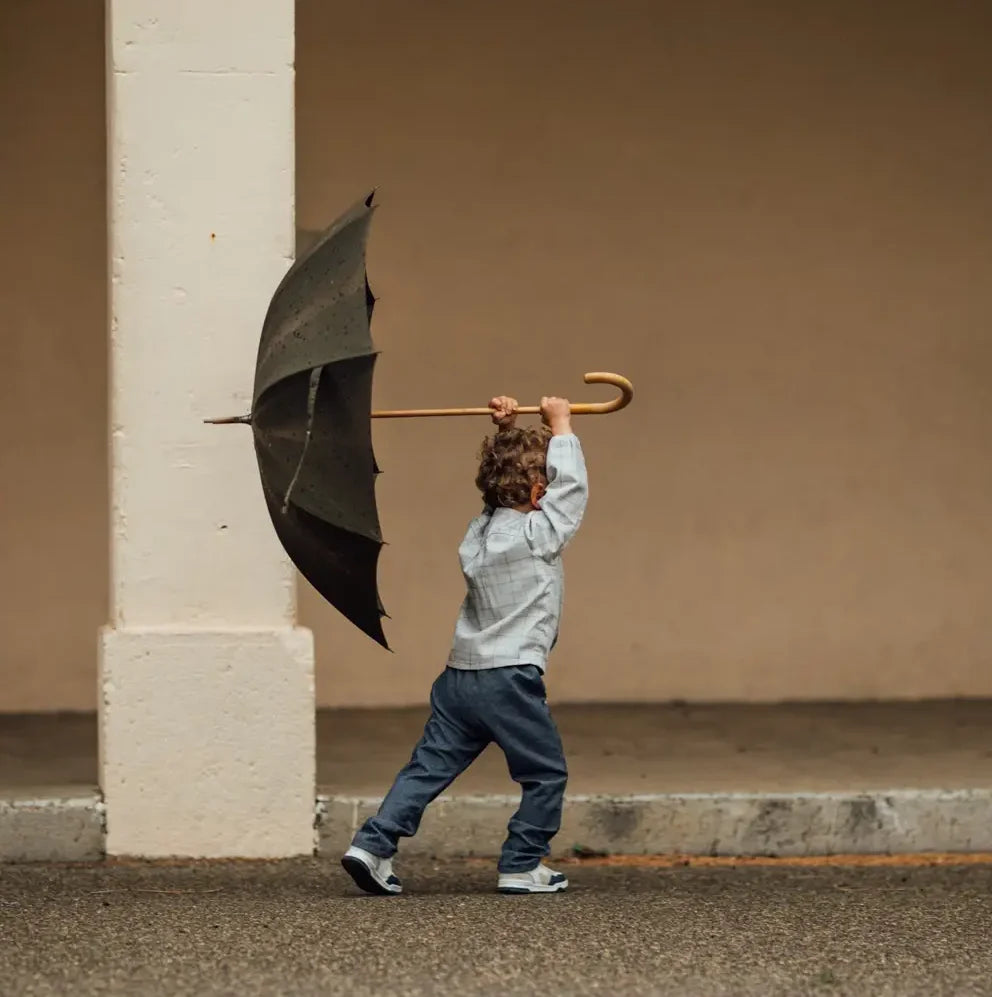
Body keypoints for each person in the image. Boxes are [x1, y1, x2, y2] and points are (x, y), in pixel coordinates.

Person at [342, 393, 588, 895]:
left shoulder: (478, 532)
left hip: (460, 679)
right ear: (541, 493)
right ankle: (522, 862)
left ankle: (372, 843)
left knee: (429, 766)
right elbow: (571, 493)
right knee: (545, 774)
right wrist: (561, 428)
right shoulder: (540, 534)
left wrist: (507, 432)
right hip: (509, 679)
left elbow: (508, 490)